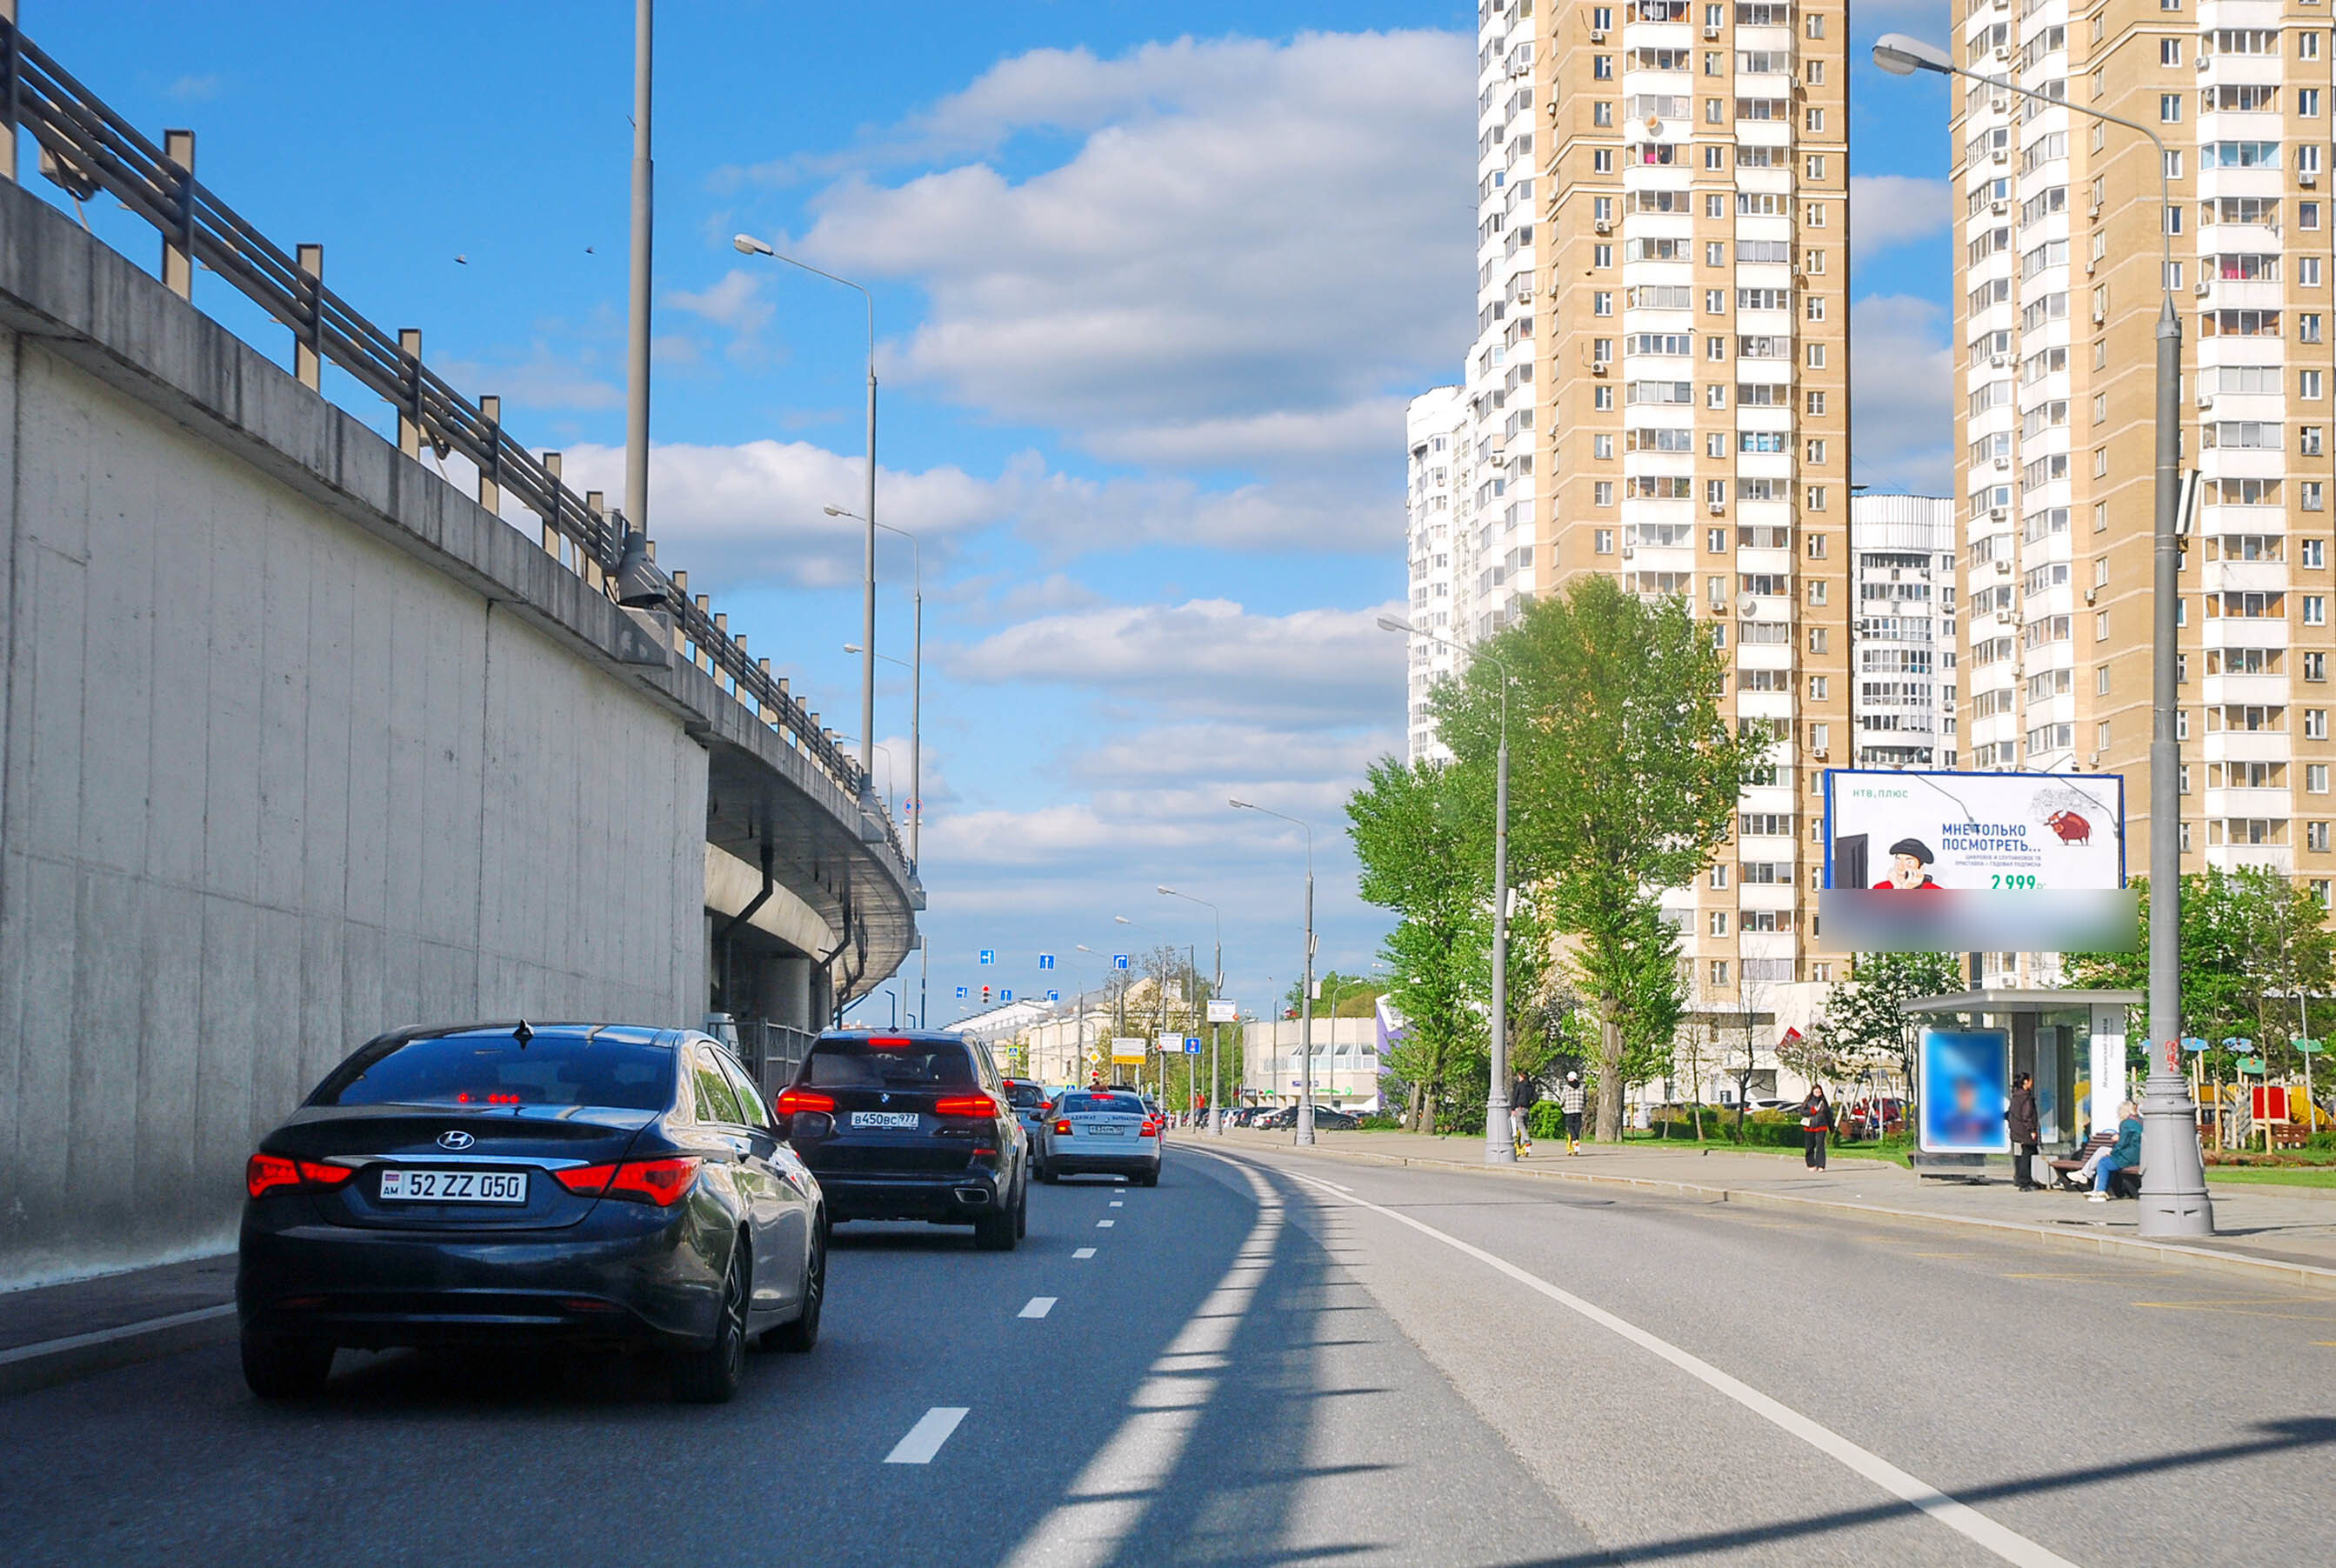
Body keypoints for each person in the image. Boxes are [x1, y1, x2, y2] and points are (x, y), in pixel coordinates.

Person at [2089, 1101, 2144, 1201]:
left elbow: (2123, 1143)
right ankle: (2101, 1190)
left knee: (2103, 1163)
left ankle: (2101, 1191)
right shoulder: (2140, 1121)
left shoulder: (2126, 1123)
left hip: (2129, 1156)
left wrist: (2113, 1152)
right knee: (2108, 1163)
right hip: (2140, 1155)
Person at [2006, 1071, 2041, 1191]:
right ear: (2025, 1082)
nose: (2032, 1082)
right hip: (2025, 1131)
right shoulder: (2026, 1097)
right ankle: (2024, 1182)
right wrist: (2031, 1130)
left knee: (2028, 1153)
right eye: (2030, 1080)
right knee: (2028, 1154)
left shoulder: (2016, 1096)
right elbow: (2026, 1115)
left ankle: (2026, 1179)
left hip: (2017, 1129)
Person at [1870, 837, 1946, 891]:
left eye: (1909, 862)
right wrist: (1897, 888)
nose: (1900, 867)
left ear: (1920, 868)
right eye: (1898, 860)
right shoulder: (1880, 888)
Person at [1800, 1084, 1832, 1171]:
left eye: (1819, 1092)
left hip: (1821, 1126)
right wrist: (1812, 1111)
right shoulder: (1808, 1101)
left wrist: (1831, 1127)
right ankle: (1811, 1164)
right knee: (1809, 1145)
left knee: (1820, 1145)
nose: (1818, 1093)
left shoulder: (1824, 1102)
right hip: (1810, 1126)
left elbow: (1829, 1115)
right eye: (1816, 1091)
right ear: (1813, 1092)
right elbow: (1802, 1112)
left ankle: (1821, 1165)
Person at [1558, 1072, 1585, 1155]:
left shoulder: (1567, 1087)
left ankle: (1574, 1140)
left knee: (1570, 1126)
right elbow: (1586, 1097)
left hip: (1569, 1109)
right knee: (1577, 1126)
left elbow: (1563, 1098)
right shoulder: (1582, 1087)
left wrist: (1561, 1105)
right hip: (1578, 1109)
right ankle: (1576, 1141)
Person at [1511, 1074, 1536, 1156]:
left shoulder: (1520, 1086)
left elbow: (1515, 1097)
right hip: (1527, 1109)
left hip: (1520, 1108)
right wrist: (1530, 1105)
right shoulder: (1531, 1086)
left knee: (1520, 1126)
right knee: (1524, 1126)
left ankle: (1527, 1140)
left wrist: (1513, 1108)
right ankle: (1522, 1146)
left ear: (1522, 1077)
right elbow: (1536, 1098)